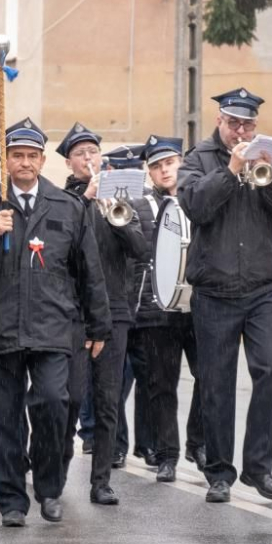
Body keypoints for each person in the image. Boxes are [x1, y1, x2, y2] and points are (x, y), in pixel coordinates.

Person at [0, 117, 111, 526]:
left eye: (31, 156)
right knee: (6, 419)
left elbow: (88, 270)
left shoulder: (67, 206)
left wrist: (98, 325)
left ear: (41, 159)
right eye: (16, 155)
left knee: (54, 403)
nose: (24, 162)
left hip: (52, 324)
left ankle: (50, 486)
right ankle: (11, 502)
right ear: (6, 161)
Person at [177, 87, 272, 503]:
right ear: (219, 121)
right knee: (216, 384)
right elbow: (195, 207)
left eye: (248, 124)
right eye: (234, 123)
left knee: (271, 371)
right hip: (214, 292)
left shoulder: (271, 159)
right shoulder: (197, 159)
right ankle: (219, 473)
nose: (241, 131)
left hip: (261, 291)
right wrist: (232, 169)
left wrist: (268, 178)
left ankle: (258, 468)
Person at [57, 123, 145, 505]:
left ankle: (101, 481)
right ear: (69, 161)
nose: (89, 159)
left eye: (93, 152)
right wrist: (88, 204)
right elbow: (66, 250)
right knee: (71, 397)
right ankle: (55, 471)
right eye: (80, 154)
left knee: (109, 400)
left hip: (114, 309)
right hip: (73, 312)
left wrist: (116, 217)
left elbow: (141, 248)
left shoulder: (121, 200)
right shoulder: (62, 201)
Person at [129, 134, 206, 483]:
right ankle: (167, 454)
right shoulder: (140, 205)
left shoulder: (201, 198)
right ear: (149, 172)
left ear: (182, 163)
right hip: (157, 309)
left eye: (170, 162)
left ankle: (198, 443)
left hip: (201, 306)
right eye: (157, 166)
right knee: (161, 385)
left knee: (209, 378)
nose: (164, 170)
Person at [98, 144, 157, 470]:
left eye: (133, 171)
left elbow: (147, 251)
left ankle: (146, 444)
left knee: (147, 378)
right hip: (119, 302)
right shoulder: (103, 204)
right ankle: (117, 444)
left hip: (143, 304)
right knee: (116, 382)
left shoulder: (149, 204)